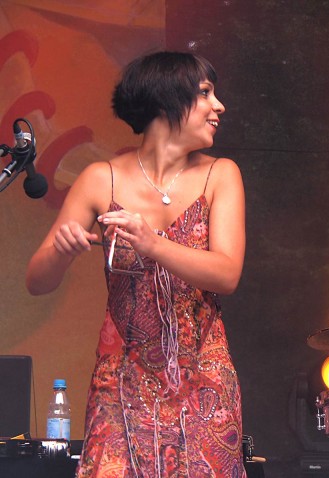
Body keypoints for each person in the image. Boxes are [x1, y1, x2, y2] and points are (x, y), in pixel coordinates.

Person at [26, 51, 247, 477]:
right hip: (122, 381)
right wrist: (62, 250)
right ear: (165, 100)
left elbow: (227, 273)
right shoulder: (100, 178)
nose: (218, 106)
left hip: (204, 377)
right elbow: (37, 280)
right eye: (205, 94)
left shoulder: (221, 174)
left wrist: (152, 244)